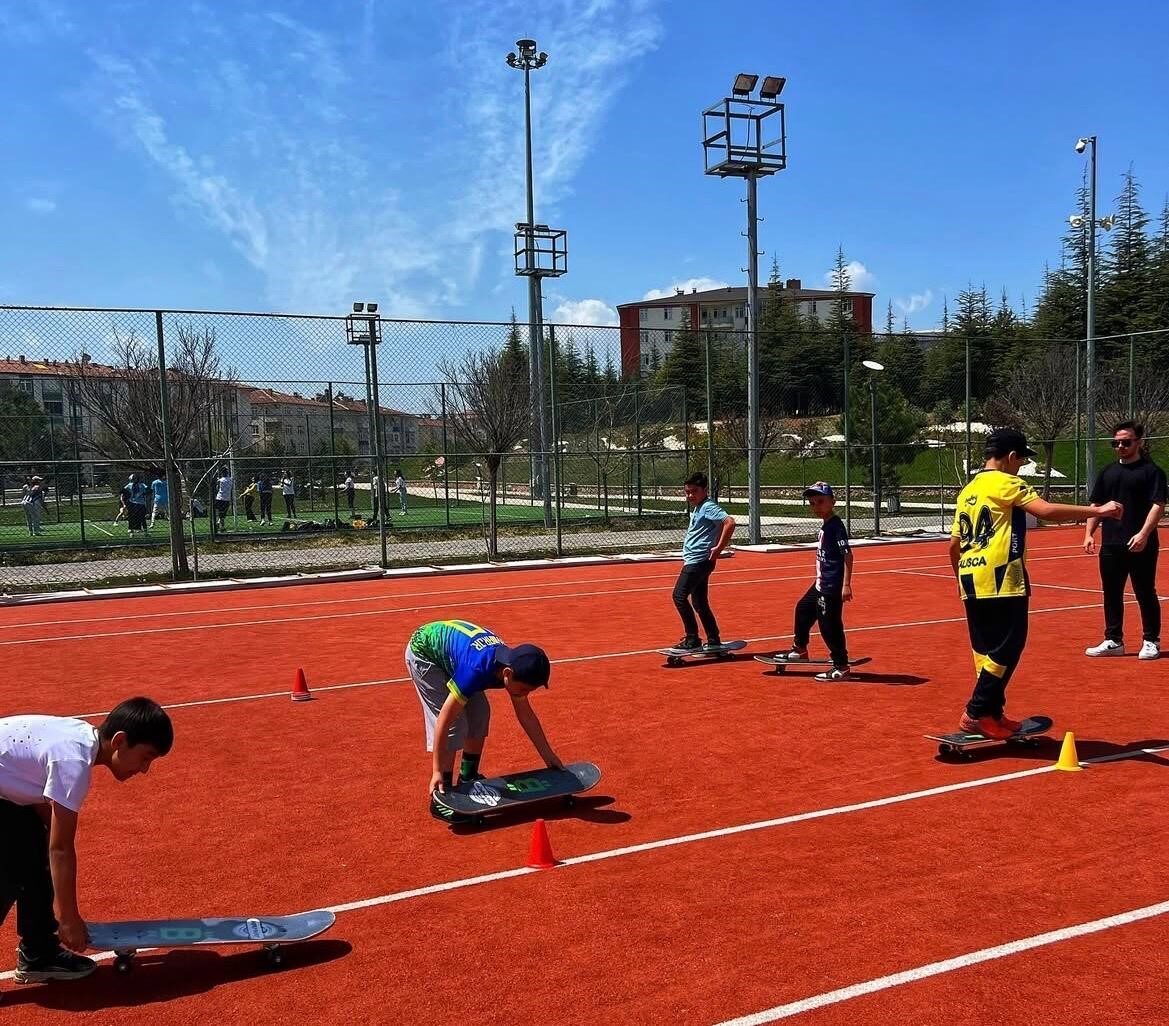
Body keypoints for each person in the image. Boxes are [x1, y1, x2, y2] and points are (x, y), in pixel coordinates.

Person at [949, 428, 1123, 738]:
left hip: (969, 576)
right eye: (1020, 460)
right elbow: (1045, 511)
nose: (1020, 467)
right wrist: (1097, 511)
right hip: (1003, 575)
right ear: (1011, 456)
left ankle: (992, 713)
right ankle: (975, 712)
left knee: (986, 650)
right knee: (1009, 645)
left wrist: (960, 577)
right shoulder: (1007, 482)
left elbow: (953, 544)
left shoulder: (968, 489)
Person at [0, 697, 173, 983]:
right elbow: (61, 849)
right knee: (13, 866)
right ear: (119, 740)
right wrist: (67, 919)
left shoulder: (82, 739)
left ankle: (39, 953)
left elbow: (43, 810)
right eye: (146, 757)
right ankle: (39, 950)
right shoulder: (73, 761)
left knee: (31, 851)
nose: (144, 769)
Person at [404, 619, 561, 824]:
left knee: (480, 713)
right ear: (507, 674)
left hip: (458, 656)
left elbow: (526, 716)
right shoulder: (477, 670)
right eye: (523, 689)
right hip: (425, 653)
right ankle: (442, 794)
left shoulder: (511, 667)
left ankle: (468, 775)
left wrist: (549, 757)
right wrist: (436, 771)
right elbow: (443, 720)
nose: (524, 695)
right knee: (455, 724)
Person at [1083, 421, 1165, 660]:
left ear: (1139, 442)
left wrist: (1143, 534)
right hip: (1111, 544)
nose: (1120, 446)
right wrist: (1089, 533)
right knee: (1111, 592)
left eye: (1126, 442)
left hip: (1141, 545)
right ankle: (1113, 640)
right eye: (1116, 443)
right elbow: (1096, 505)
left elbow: (1158, 506)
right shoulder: (1107, 472)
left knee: (1144, 592)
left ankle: (1151, 641)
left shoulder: (1152, 472)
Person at [779, 482, 855, 681]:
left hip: (832, 586)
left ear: (833, 502)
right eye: (812, 503)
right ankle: (800, 649)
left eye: (820, 502)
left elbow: (847, 555)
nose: (816, 507)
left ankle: (841, 665)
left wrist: (846, 584)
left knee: (829, 625)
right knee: (803, 609)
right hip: (820, 582)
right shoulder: (826, 525)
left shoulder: (836, 527)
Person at [671, 471, 736, 652]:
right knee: (699, 602)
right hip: (697, 560)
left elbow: (729, 522)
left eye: (694, 491)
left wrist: (719, 548)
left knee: (679, 596)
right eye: (687, 492)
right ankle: (713, 638)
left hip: (698, 561)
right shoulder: (699, 507)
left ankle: (692, 638)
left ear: (704, 490)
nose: (690, 495)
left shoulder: (708, 506)